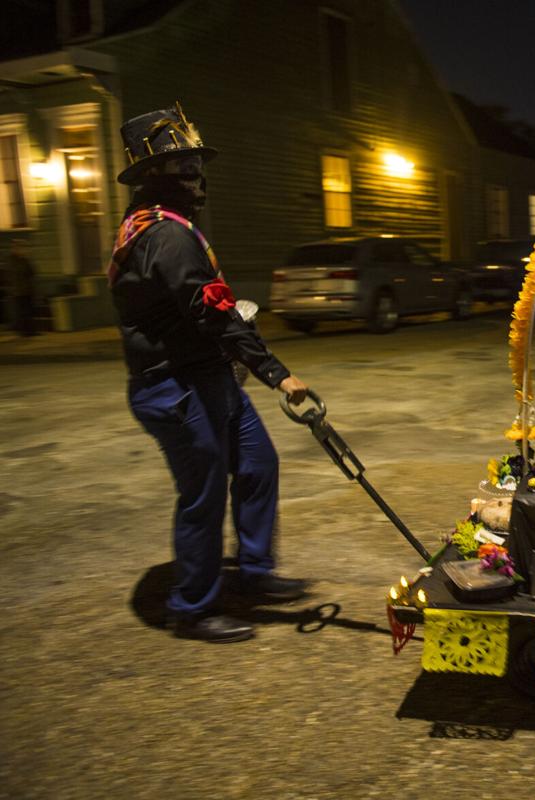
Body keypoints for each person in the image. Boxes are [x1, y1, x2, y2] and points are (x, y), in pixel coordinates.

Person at [108, 103, 309, 642]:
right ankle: (192, 608)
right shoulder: (166, 237)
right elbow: (213, 313)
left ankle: (255, 572)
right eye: (186, 168)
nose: (198, 179)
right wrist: (278, 375)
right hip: (175, 386)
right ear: (156, 178)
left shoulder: (164, 227)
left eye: (197, 165)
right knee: (203, 494)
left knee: (257, 464)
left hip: (206, 376)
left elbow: (205, 312)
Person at [7, 238, 38, 336]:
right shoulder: (12, 260)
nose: (23, 250)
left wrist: (27, 259)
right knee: (22, 312)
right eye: (20, 247)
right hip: (19, 291)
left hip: (27, 289)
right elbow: (16, 274)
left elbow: (32, 272)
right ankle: (24, 332)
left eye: (23, 248)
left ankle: (31, 331)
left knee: (29, 311)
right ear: (15, 248)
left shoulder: (24, 259)